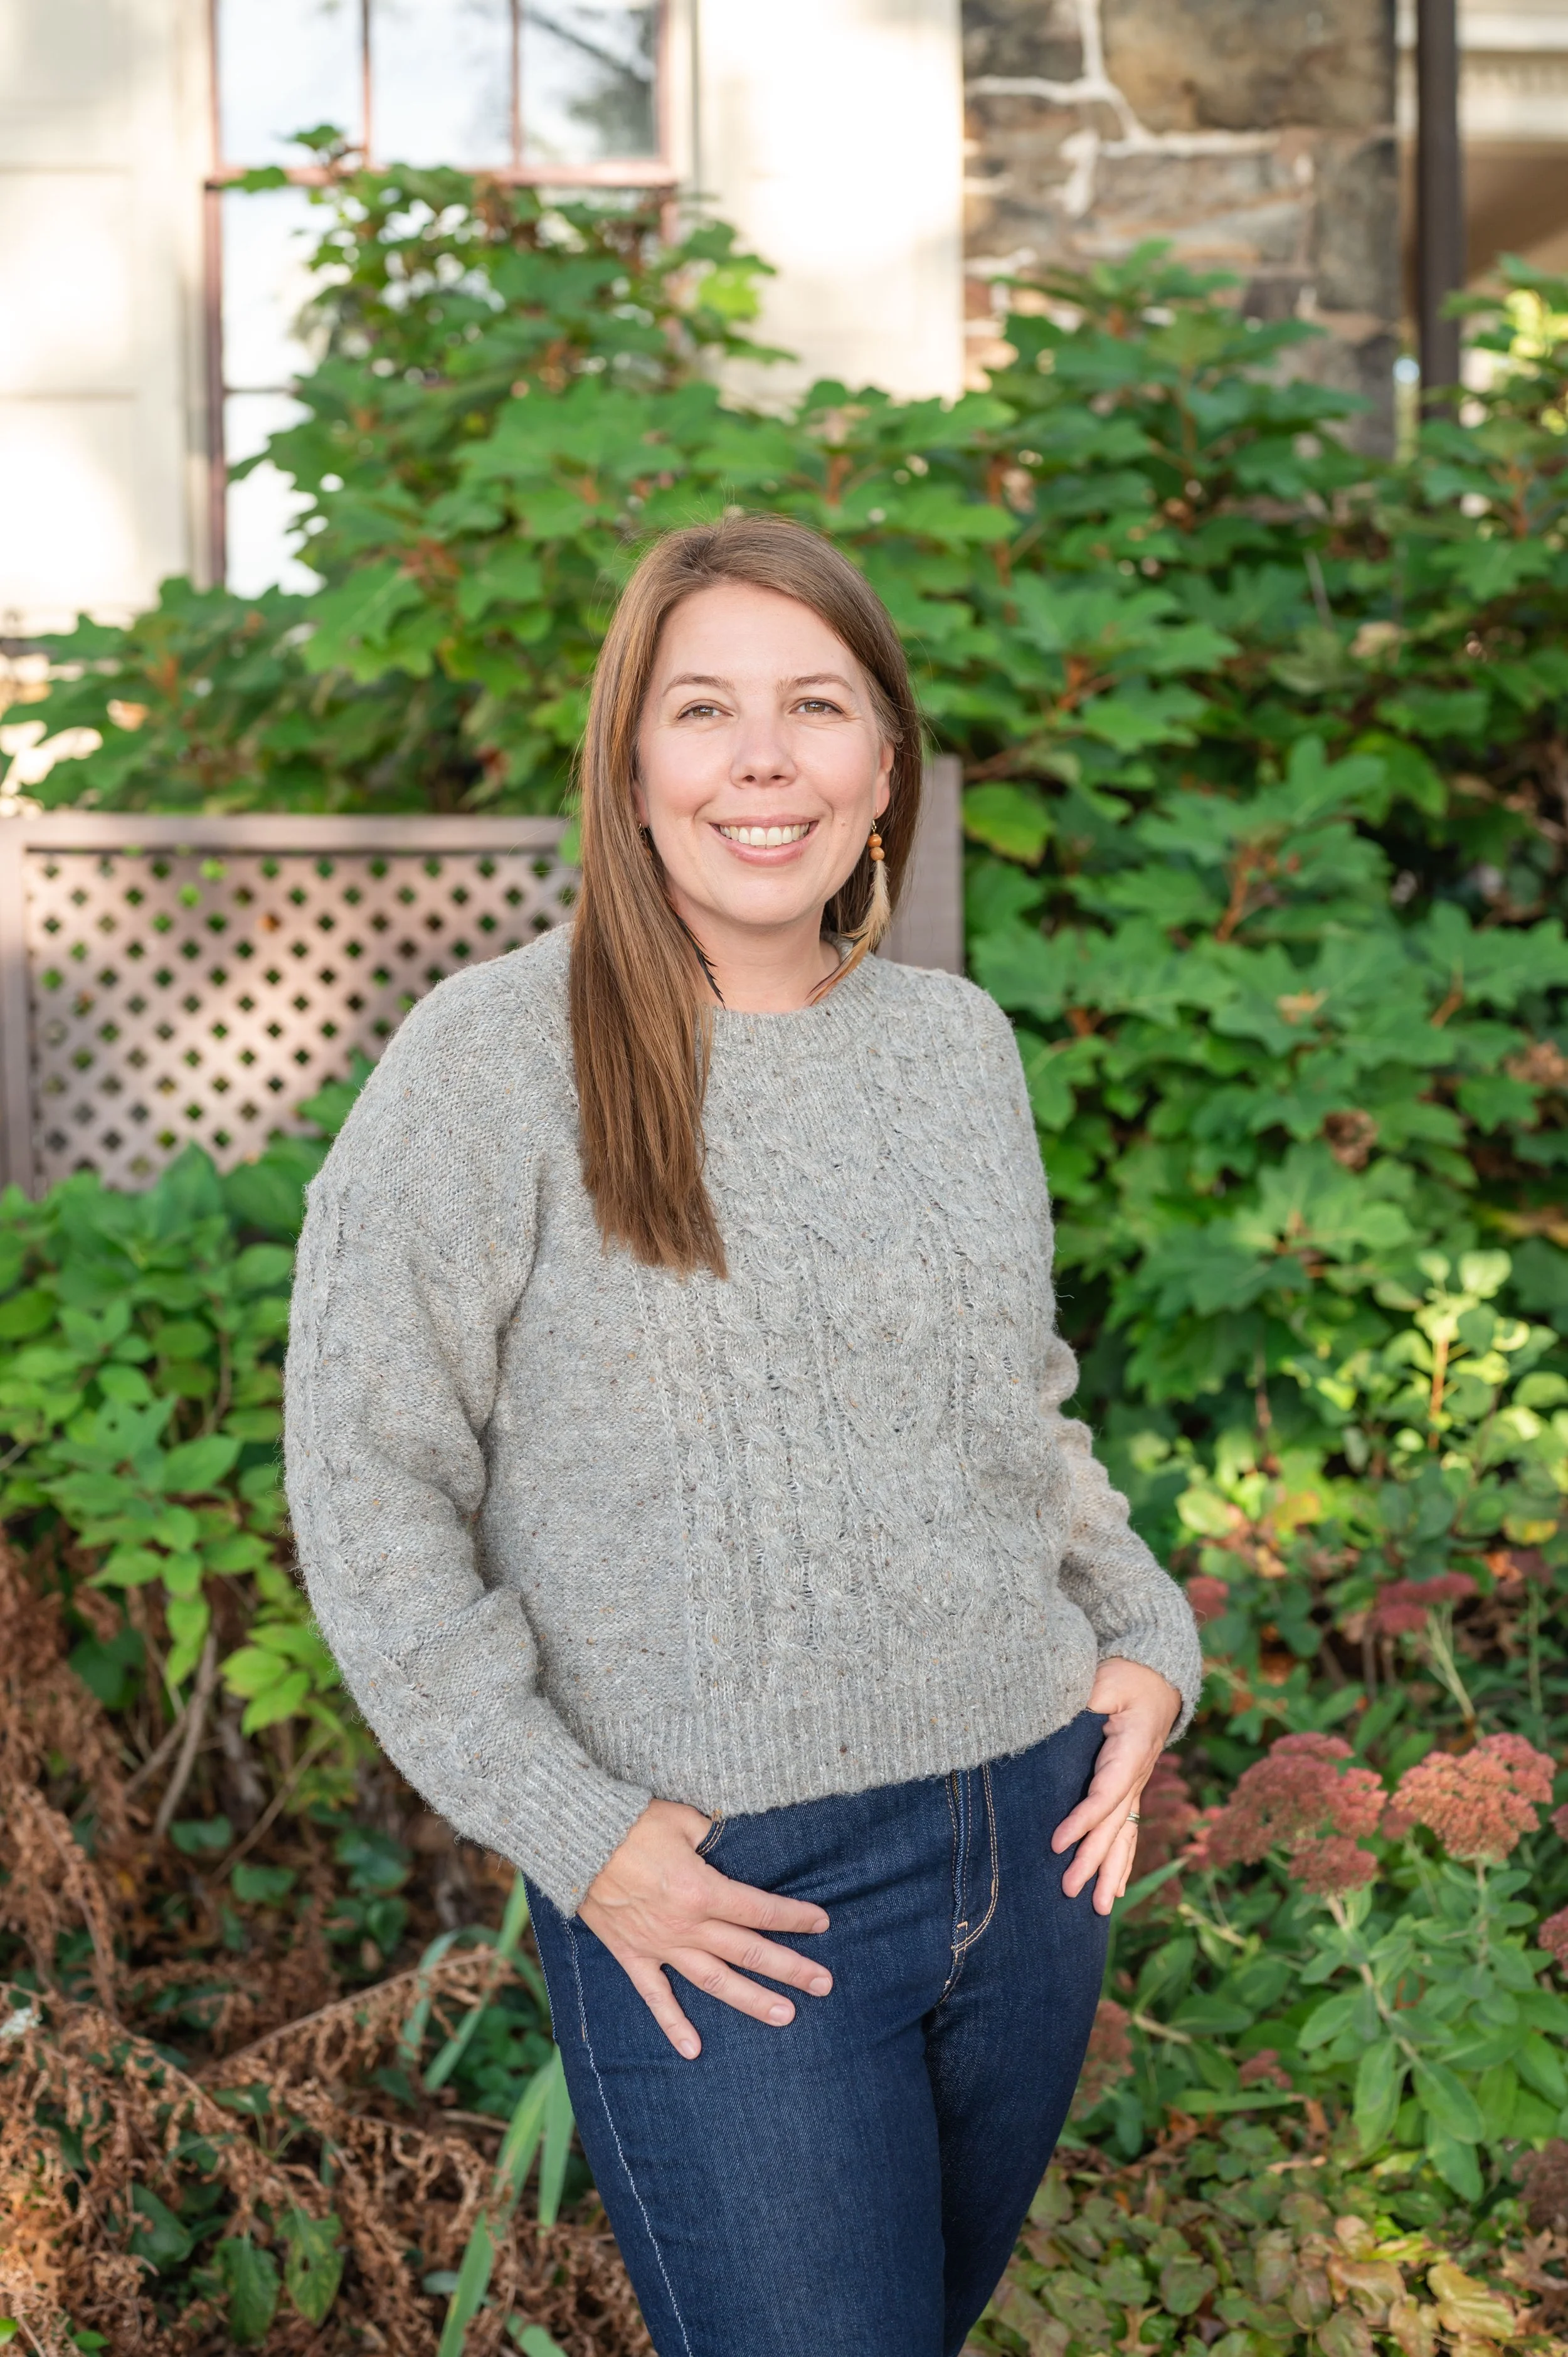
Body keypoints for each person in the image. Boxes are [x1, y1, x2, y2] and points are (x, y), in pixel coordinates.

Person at [283, 514, 1202, 2357]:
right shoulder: (492, 1060)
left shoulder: (953, 1045)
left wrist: (1141, 1627)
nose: (761, 755)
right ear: (630, 769)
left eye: (815, 706)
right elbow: (367, 1478)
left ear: (882, 770)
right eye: (702, 709)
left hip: (1023, 1844)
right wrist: (577, 1832)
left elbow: (1016, 1398)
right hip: (720, 1896)